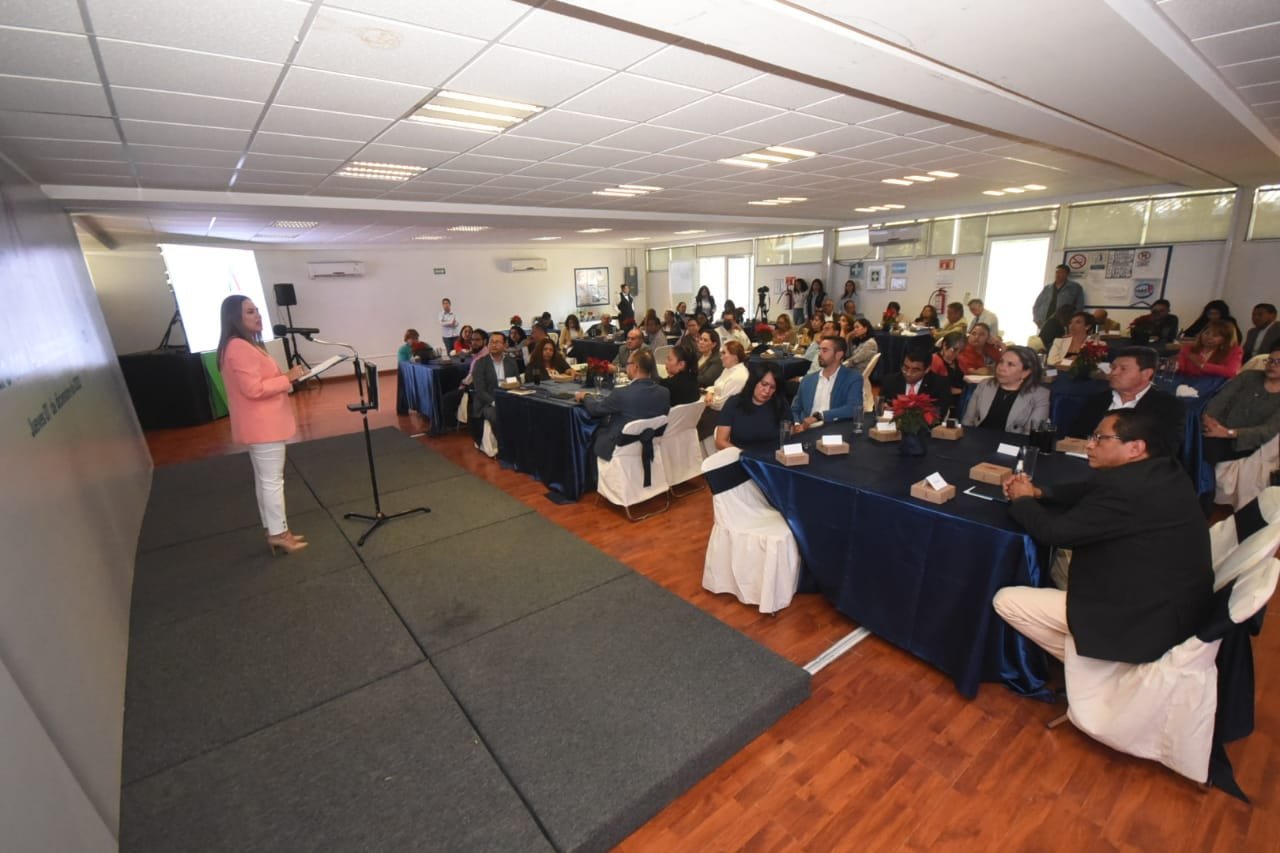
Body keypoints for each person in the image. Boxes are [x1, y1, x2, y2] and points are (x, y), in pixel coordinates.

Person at [993, 409, 1214, 665]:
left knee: (1006, 601)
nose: (1090, 445)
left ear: (1135, 448)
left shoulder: (1124, 489)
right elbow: (1089, 489)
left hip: (1143, 619)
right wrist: (1039, 492)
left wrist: (1022, 499)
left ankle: (1097, 666)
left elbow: (1054, 533)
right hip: (1173, 596)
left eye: (1100, 438)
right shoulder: (1164, 469)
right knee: (1061, 561)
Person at [216, 295, 307, 555]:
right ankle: (279, 534)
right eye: (249, 311)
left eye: (256, 310)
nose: (257, 315)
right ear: (234, 317)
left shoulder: (242, 345)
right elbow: (253, 389)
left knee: (265, 480)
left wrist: (285, 378)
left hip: (261, 425)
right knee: (271, 481)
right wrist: (287, 378)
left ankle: (275, 530)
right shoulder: (238, 347)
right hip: (263, 425)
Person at [1066, 346, 1185, 452]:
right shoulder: (1097, 400)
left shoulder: (1167, 406)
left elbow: (1165, 449)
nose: (1113, 373)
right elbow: (1076, 436)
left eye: (1123, 369)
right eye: (1113, 368)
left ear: (1146, 374)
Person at [576, 349, 669, 461]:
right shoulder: (665, 393)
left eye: (627, 364)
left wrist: (586, 396)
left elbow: (595, 409)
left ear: (635, 367)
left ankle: (588, 471)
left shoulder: (621, 393)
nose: (626, 368)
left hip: (620, 447)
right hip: (649, 445)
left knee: (590, 431)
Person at [1201, 341, 1280, 463]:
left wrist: (1228, 433)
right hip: (1216, 427)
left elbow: (1268, 430)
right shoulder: (1248, 376)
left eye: (1278, 362)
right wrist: (1209, 419)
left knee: (1207, 450)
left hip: (1245, 442)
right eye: (1270, 360)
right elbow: (1220, 399)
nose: (1272, 365)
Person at [961, 346, 1049, 434]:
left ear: (1025, 373)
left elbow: (1032, 433)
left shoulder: (1040, 395)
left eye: (1010, 364)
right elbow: (968, 421)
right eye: (1001, 362)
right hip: (978, 438)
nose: (1001, 368)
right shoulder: (985, 385)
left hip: (1014, 441)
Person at [791, 335, 862, 430]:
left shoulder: (852, 378)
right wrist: (796, 424)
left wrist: (820, 416)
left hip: (835, 429)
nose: (820, 354)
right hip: (807, 430)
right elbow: (795, 409)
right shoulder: (807, 380)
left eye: (824, 351)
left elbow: (854, 408)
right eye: (819, 350)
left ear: (839, 355)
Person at [715, 362, 787, 450]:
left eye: (772, 387)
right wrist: (744, 454)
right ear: (754, 382)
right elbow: (720, 441)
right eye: (764, 384)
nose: (767, 391)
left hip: (774, 455)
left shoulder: (780, 403)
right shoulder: (734, 403)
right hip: (741, 455)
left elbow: (787, 437)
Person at [470, 331, 519, 452]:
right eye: (491, 342)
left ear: (505, 345)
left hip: (507, 398)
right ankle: (505, 447)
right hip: (487, 402)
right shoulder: (480, 363)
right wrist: (494, 402)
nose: (493, 345)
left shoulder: (511, 362)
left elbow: (517, 382)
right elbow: (480, 390)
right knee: (496, 415)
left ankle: (520, 443)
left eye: (497, 342)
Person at [879, 346, 954, 421]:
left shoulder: (940, 384)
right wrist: (883, 408)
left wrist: (904, 414)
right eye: (905, 368)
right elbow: (879, 407)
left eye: (914, 370)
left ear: (927, 370)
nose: (908, 373)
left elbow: (939, 414)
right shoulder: (890, 381)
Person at [698, 340, 749, 439]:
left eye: (724, 353)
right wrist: (709, 392)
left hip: (723, 416)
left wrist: (708, 397)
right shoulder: (728, 369)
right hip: (713, 408)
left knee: (694, 423)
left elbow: (722, 405)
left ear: (734, 357)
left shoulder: (738, 376)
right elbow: (715, 386)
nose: (721, 357)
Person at [1177, 319, 1243, 378]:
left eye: (1215, 335)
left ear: (1225, 339)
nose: (1209, 337)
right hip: (1187, 383)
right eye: (1207, 333)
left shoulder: (1234, 351)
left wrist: (1203, 365)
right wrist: (1175, 366)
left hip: (1212, 386)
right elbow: (1181, 369)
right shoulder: (1188, 348)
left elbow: (1232, 372)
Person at [1032, 264, 1085, 331]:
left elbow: (1079, 306)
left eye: (1061, 272)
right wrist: (1036, 319)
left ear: (1066, 274)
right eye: (1057, 272)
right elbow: (1037, 304)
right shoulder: (1047, 288)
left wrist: (1072, 321)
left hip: (1062, 323)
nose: (1058, 274)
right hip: (1044, 322)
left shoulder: (1075, 287)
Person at [931, 331, 967, 402]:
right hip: (940, 400)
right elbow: (933, 387)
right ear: (945, 345)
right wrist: (961, 391)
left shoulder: (959, 361)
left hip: (959, 399)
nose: (957, 354)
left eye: (961, 351)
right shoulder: (934, 360)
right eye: (954, 350)